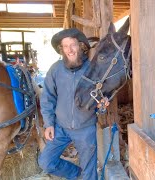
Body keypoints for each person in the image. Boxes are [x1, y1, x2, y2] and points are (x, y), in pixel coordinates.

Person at [38, 28, 109, 180]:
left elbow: (102, 95)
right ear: (61, 49)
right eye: (65, 46)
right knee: (46, 162)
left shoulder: (92, 69)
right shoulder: (55, 70)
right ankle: (76, 174)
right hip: (60, 127)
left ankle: (86, 176)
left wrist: (103, 102)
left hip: (85, 128)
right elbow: (47, 98)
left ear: (81, 46)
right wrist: (49, 124)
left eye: (73, 45)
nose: (70, 50)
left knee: (90, 175)